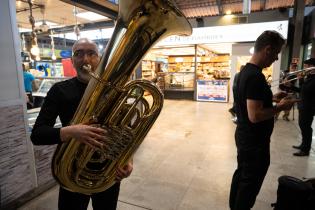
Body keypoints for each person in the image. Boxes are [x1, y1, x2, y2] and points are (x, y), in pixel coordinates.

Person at [31, 38, 133, 210]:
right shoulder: (59, 90)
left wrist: (128, 160)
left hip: (108, 171)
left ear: (99, 59)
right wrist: (71, 132)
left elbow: (127, 132)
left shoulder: (114, 90)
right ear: (72, 61)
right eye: (79, 54)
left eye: (91, 53)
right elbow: (37, 135)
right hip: (71, 170)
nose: (85, 59)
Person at [229, 30, 296, 210]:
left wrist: (271, 98)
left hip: (244, 136)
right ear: (267, 49)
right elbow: (255, 115)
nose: (275, 58)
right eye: (275, 53)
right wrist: (281, 107)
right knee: (250, 180)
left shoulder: (244, 72)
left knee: (242, 174)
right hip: (254, 141)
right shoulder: (255, 77)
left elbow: (248, 101)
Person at [292, 57, 315, 156]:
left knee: (306, 127)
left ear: (312, 67)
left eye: (306, 66)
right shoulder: (309, 77)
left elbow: (308, 90)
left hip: (309, 107)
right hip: (303, 105)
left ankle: (305, 150)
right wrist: (291, 86)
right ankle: (303, 145)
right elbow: (302, 90)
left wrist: (301, 80)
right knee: (303, 126)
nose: (304, 68)